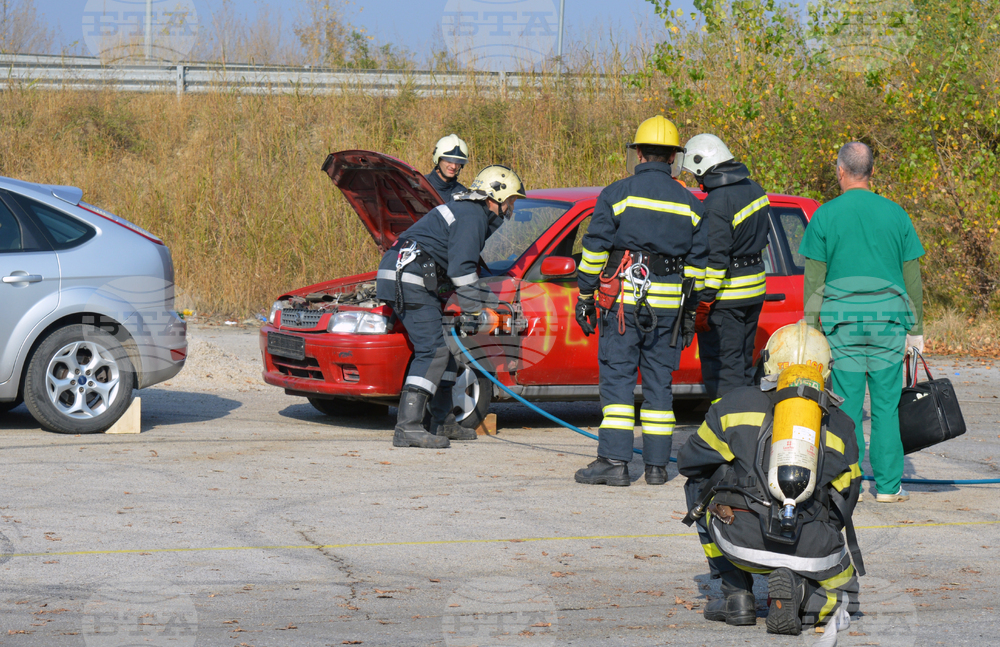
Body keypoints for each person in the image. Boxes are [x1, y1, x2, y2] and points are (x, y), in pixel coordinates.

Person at [677, 321, 863, 639]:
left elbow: (688, 462)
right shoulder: (843, 425)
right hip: (810, 545)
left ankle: (735, 594)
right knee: (849, 597)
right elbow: (847, 498)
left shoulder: (734, 406)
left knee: (699, 484)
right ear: (826, 370)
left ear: (769, 362)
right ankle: (804, 595)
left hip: (740, 537)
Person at [573, 115, 706, 487]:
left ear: (639, 153)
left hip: (623, 305)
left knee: (617, 380)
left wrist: (585, 294)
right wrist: (689, 309)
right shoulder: (691, 202)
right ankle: (658, 467)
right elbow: (700, 266)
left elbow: (595, 250)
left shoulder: (617, 194)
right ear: (672, 158)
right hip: (668, 310)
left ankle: (614, 462)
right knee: (659, 384)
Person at [799, 142, 925, 503]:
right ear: (872, 172)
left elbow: (815, 280)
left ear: (840, 171)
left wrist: (812, 329)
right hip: (888, 324)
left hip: (842, 325)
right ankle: (887, 487)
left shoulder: (825, 215)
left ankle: (844, 483)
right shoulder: (896, 214)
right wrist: (915, 331)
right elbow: (911, 276)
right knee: (886, 408)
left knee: (847, 408)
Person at [375, 165, 526, 448]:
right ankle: (408, 426)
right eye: (512, 200)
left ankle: (442, 421)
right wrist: (478, 313)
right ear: (497, 194)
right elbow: (462, 272)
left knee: (450, 351)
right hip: (410, 278)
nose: (511, 207)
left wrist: (480, 306)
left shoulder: (468, 211)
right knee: (433, 349)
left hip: (406, 274)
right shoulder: (472, 216)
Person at [681, 134, 770, 402]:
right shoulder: (755, 189)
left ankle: (729, 434)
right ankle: (746, 429)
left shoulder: (716, 203)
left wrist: (704, 301)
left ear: (703, 166)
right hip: (754, 293)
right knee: (742, 366)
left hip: (725, 300)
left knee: (722, 370)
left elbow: (715, 260)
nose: (696, 181)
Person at [426, 134, 470, 201]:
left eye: (458, 161)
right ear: (438, 159)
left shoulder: (462, 194)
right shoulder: (421, 187)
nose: (454, 166)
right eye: (449, 161)